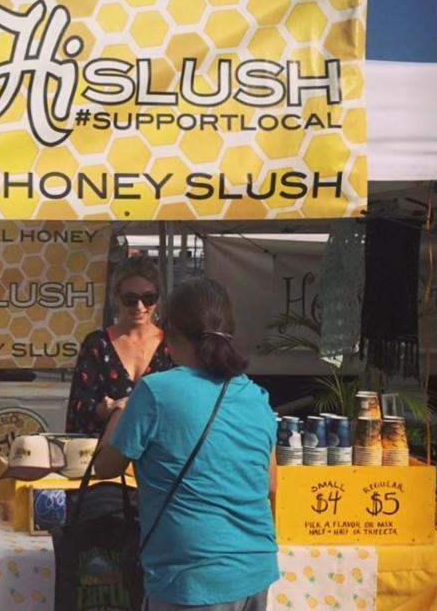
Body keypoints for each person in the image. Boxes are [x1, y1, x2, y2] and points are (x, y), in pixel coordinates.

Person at [93, 277, 278, 611]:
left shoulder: (154, 391)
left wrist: (120, 413)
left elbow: (105, 467)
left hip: (190, 575)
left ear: (170, 335)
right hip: (255, 568)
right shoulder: (256, 396)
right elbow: (269, 485)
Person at [66, 255, 175, 435]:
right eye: (130, 299)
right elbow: (78, 406)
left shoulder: (172, 345)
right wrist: (102, 410)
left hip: (158, 452)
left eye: (149, 298)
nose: (139, 306)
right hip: (106, 451)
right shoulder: (97, 344)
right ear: (116, 297)